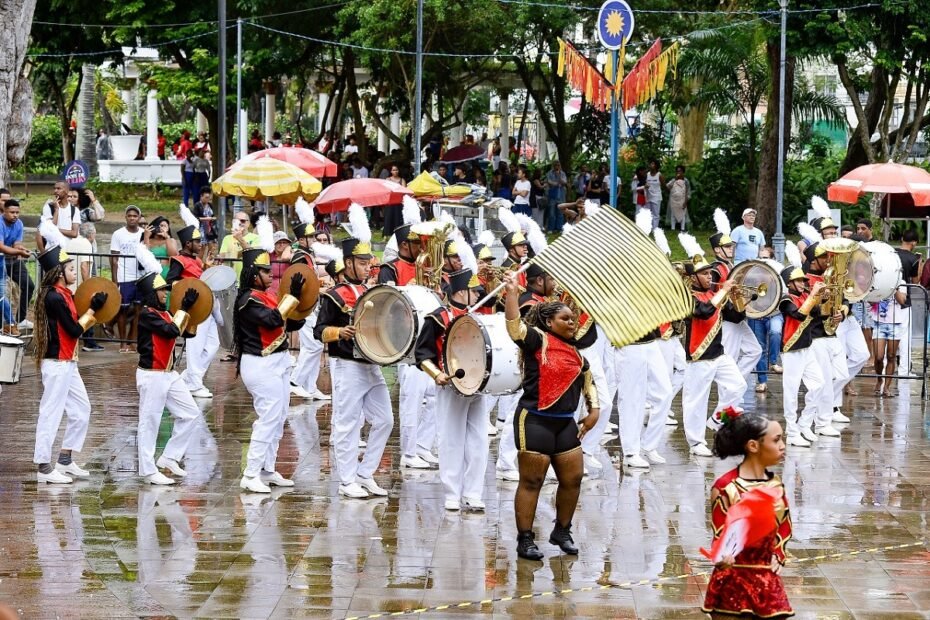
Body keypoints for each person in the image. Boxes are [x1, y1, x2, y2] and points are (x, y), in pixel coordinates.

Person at [501, 271, 599, 560]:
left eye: (573, 319)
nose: (572, 323)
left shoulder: (578, 354)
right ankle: (525, 539)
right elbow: (514, 328)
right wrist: (510, 294)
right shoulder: (536, 340)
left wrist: (593, 411)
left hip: (565, 424)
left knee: (574, 479)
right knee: (532, 482)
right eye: (565, 319)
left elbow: (588, 383)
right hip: (534, 421)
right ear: (548, 322)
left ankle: (562, 530)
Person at [313, 220, 394, 499]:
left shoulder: (371, 292)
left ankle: (365, 473)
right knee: (347, 424)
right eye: (361, 263)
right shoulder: (335, 296)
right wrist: (340, 332)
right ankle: (347, 480)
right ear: (348, 264)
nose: (367, 268)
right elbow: (319, 331)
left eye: (368, 263)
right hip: (346, 365)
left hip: (370, 365)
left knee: (385, 420)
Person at [32, 226, 107, 484]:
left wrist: (91, 307)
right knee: (50, 412)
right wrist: (92, 312)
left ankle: (65, 458)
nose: (76, 272)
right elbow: (74, 330)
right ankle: (43, 466)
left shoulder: (65, 294)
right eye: (72, 269)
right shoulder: (54, 297)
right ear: (59, 274)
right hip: (56, 363)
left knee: (82, 409)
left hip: (68, 362)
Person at [415, 267, 493, 511]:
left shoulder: (480, 317)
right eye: (474, 292)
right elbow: (422, 354)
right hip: (450, 385)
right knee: (450, 439)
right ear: (462, 292)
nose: (478, 296)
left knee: (479, 440)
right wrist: (436, 374)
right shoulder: (437, 317)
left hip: (477, 386)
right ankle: (451, 493)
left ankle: (473, 492)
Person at [701, 413, 793, 618]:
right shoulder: (726, 487)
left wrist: (778, 554)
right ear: (753, 446)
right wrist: (721, 555)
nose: (783, 445)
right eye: (776, 440)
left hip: (767, 579)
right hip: (733, 580)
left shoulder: (775, 485)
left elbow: (784, 525)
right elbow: (720, 531)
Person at [235, 247, 307, 493]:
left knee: (278, 417)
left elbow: (288, 321)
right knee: (268, 418)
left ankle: (267, 469)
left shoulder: (268, 295)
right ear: (254, 274)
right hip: (260, 363)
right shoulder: (248, 300)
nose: (270, 275)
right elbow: (273, 319)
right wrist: (292, 298)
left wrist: (301, 304)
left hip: (277, 361)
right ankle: (251, 473)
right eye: (265, 271)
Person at [134, 249, 202, 485]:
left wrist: (189, 311)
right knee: (149, 422)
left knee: (190, 414)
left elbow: (186, 333)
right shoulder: (147, 315)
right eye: (162, 290)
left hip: (169, 374)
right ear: (152, 293)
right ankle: (148, 469)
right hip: (152, 375)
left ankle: (170, 457)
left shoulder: (163, 313)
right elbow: (173, 330)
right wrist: (183, 309)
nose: (165, 294)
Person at [677, 234, 747, 457]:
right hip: (698, 355)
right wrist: (724, 291)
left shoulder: (713, 293)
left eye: (709, 273)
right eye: (704, 274)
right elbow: (704, 311)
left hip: (718, 354)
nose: (709, 277)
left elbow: (736, 317)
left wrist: (736, 298)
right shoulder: (687, 296)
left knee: (738, 386)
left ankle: (717, 420)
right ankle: (695, 442)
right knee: (696, 401)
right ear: (693, 277)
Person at [166, 219, 219, 398]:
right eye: (197, 241)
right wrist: (189, 286)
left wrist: (208, 267)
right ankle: (194, 384)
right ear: (188, 243)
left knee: (213, 344)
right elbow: (170, 282)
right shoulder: (178, 260)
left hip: (205, 306)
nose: (200, 244)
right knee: (195, 347)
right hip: (193, 310)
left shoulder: (196, 260)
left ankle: (190, 378)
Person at [709, 222, 762, 395]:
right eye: (726, 247)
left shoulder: (731, 266)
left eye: (731, 246)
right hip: (726, 319)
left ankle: (735, 388)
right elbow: (712, 293)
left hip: (738, 316)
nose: (731, 249)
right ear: (717, 250)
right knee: (728, 358)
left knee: (755, 351)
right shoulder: (716, 269)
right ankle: (727, 400)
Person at [778, 259, 826, 446]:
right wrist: (813, 294)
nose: (803, 284)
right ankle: (791, 431)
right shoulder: (785, 299)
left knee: (819, 385)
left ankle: (804, 423)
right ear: (789, 283)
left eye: (803, 281)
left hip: (807, 347)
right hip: (791, 349)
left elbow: (818, 312)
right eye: (798, 281)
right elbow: (798, 314)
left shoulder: (806, 295)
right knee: (791, 391)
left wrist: (825, 298)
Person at [802, 241, 848, 437]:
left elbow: (845, 300)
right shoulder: (804, 281)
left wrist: (842, 313)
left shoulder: (830, 277)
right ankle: (822, 422)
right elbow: (806, 309)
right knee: (826, 382)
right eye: (824, 258)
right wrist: (824, 304)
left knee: (843, 375)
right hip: (816, 336)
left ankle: (824, 413)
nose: (828, 261)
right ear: (814, 261)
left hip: (832, 332)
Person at [289, 222, 331, 401]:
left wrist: (320, 284)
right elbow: (300, 282)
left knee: (314, 345)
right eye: (311, 237)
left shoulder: (307, 255)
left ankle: (310, 386)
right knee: (315, 345)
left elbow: (311, 279)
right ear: (301, 239)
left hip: (311, 304)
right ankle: (295, 381)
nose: (314, 239)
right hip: (304, 306)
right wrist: (318, 290)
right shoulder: (299, 257)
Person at [109, 206, 145, 353]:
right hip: (124, 277)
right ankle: (123, 343)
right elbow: (114, 258)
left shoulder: (144, 233)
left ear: (139, 218)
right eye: (129, 215)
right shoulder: (118, 234)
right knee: (122, 310)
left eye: (135, 216)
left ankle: (132, 341)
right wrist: (114, 279)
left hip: (140, 277)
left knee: (138, 311)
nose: (132, 218)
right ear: (125, 217)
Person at [0, 199, 33, 332]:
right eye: (12, 212)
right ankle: (9, 322)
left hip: (13, 260)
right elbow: (1, 247)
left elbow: (17, 243)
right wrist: (19, 251)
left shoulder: (19, 223)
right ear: (4, 211)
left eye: (17, 212)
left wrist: (21, 249)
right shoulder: (0, 223)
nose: (15, 215)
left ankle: (20, 319)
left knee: (29, 285)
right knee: (2, 294)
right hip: (1, 260)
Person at [872, 281, 909, 397]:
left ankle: (887, 387)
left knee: (891, 356)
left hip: (895, 323)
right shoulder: (879, 279)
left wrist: (894, 287)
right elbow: (870, 300)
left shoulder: (901, 282)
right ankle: (879, 380)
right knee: (878, 357)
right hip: (879, 322)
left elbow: (903, 301)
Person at [894, 229, 920, 377]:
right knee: (905, 337)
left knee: (887, 335)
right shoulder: (914, 259)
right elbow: (916, 282)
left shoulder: (892, 254)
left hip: (888, 298)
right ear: (914, 243)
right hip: (904, 302)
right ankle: (904, 370)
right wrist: (919, 263)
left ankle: (885, 368)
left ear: (902, 239)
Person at [219, 211, 258, 279]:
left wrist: (240, 239)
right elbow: (223, 257)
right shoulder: (227, 238)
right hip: (230, 278)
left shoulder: (256, 238)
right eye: (236, 221)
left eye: (242, 221)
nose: (239, 223)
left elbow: (253, 254)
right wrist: (243, 252)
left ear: (248, 223)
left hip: (249, 279)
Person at [666, 165, 691, 231]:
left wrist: (686, 201)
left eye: (680, 171)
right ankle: (673, 228)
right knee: (673, 214)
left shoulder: (686, 181)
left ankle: (682, 228)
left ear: (683, 172)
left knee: (683, 214)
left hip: (682, 200)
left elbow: (688, 192)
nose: (678, 173)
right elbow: (667, 187)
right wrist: (675, 179)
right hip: (673, 200)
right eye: (677, 171)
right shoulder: (673, 180)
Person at [645, 159, 665, 228]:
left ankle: (655, 229)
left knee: (656, 214)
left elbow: (663, 185)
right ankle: (648, 228)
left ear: (656, 166)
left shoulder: (659, 175)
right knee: (648, 213)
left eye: (653, 164)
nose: (651, 165)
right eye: (650, 164)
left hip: (656, 197)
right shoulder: (647, 174)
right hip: (648, 196)